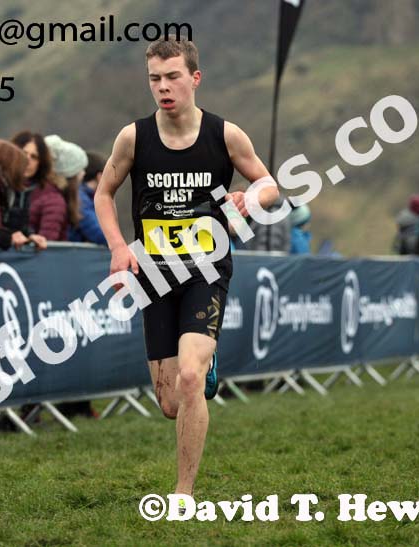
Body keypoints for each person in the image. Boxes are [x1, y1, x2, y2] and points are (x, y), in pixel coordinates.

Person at [93, 36, 279, 503]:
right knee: (172, 403)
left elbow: (270, 184)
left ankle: (183, 492)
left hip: (207, 269)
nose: (163, 86)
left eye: (172, 76)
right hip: (153, 275)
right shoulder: (134, 137)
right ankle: (202, 365)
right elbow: (103, 193)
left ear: (194, 78)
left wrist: (248, 197)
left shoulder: (225, 134)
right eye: (155, 78)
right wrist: (119, 248)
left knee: (190, 378)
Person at [40, 134, 86, 241]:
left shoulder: (48, 194)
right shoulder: (54, 201)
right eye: (78, 170)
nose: (83, 173)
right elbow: (48, 243)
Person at [69, 152, 108, 245]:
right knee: (142, 256)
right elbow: (101, 235)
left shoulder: (85, 196)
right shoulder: (81, 199)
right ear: (100, 176)